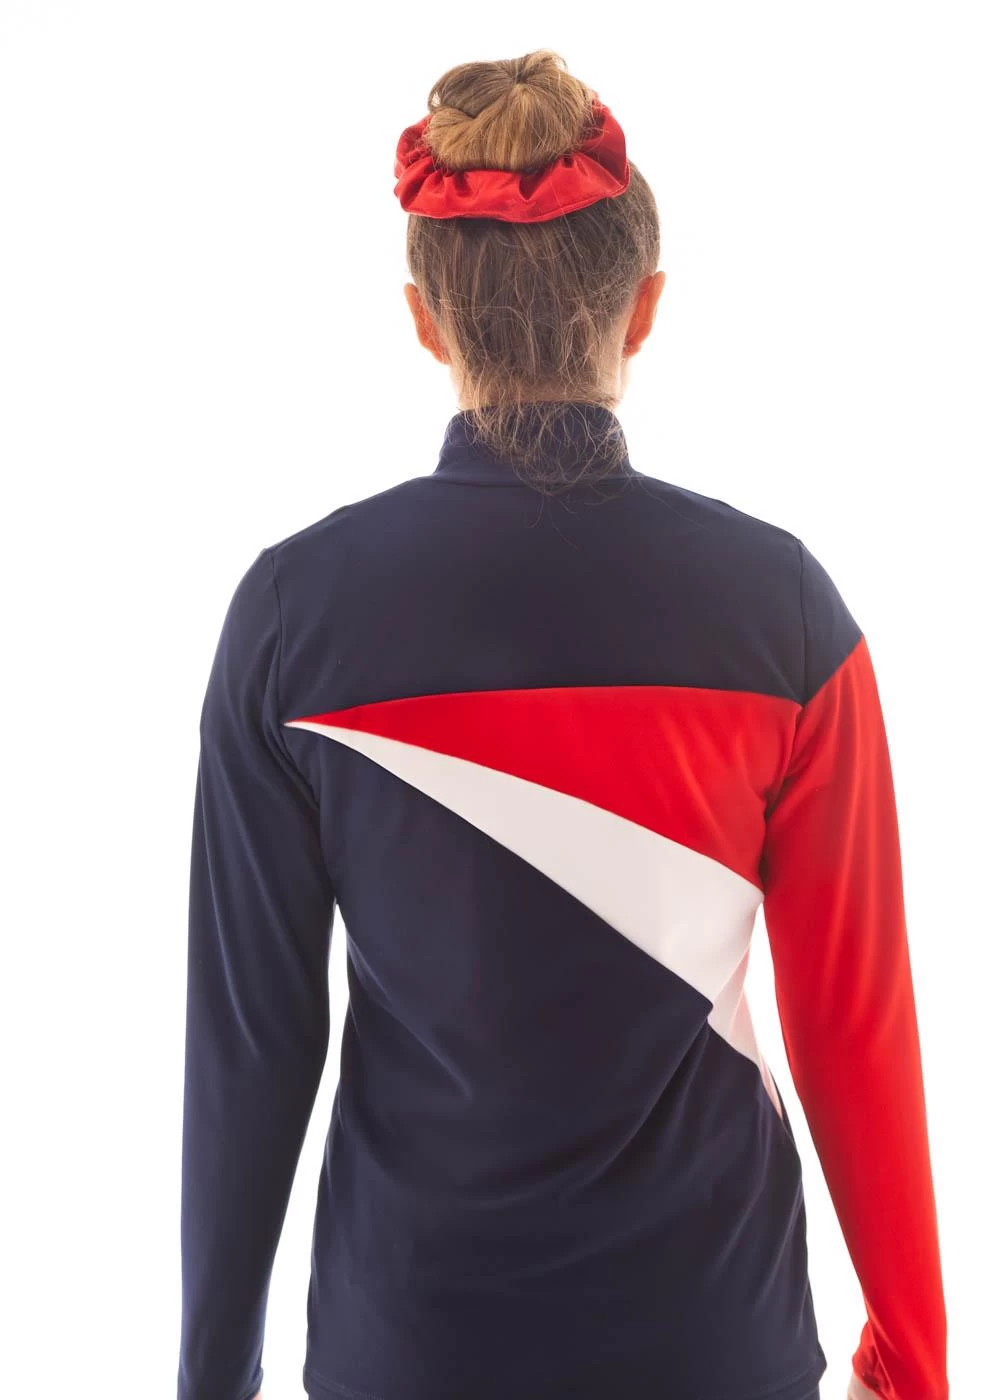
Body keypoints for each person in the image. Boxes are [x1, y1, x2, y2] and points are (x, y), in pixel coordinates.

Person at [176, 48, 948, 1400]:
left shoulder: (295, 616)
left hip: (410, 1345)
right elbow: (855, 1020)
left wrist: (208, 1379)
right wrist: (914, 1356)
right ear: (643, 310)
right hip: (716, 1342)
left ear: (426, 322)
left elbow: (251, 1045)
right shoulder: (783, 613)